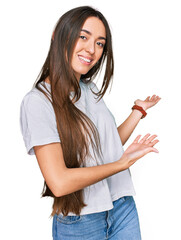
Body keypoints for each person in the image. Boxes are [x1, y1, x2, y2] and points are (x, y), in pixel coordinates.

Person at [19, 6, 161, 240]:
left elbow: (104, 145)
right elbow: (59, 183)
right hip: (81, 220)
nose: (92, 50)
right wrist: (122, 164)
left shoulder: (90, 90)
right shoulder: (38, 102)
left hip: (122, 208)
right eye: (83, 37)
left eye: (100, 43)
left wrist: (138, 111)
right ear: (58, 34)